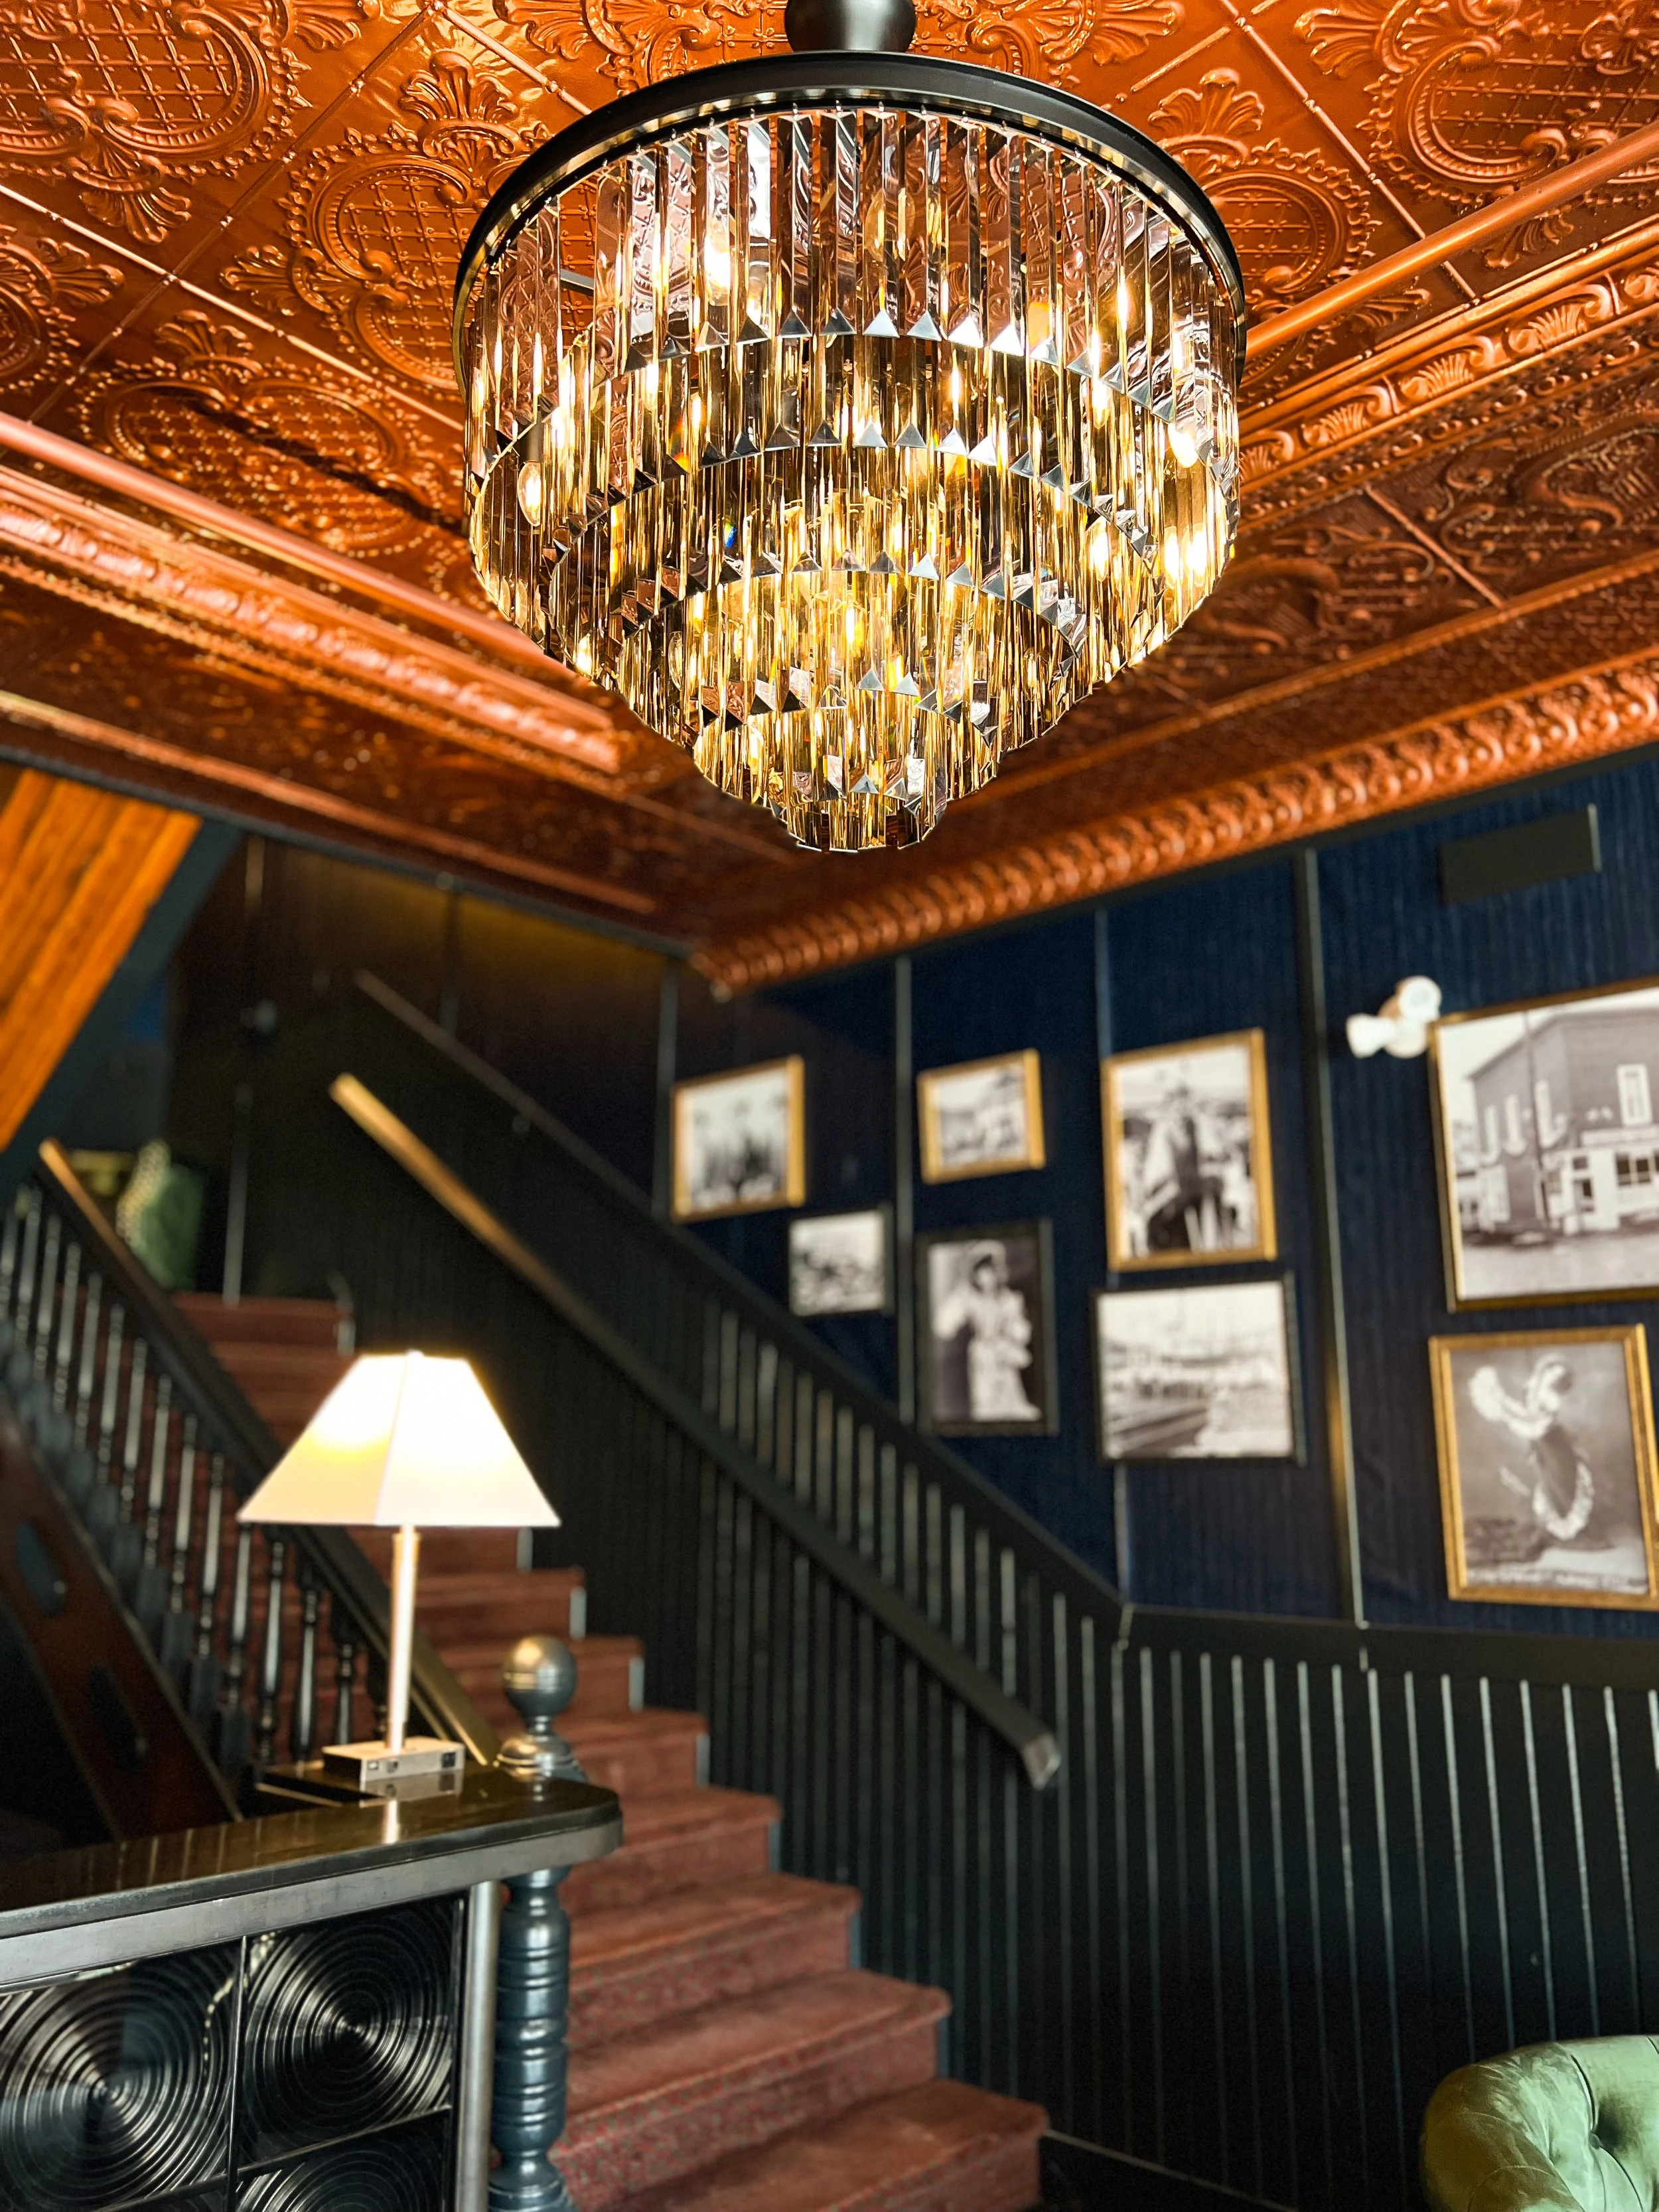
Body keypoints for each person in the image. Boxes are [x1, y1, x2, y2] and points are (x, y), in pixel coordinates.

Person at [1468, 1355, 1594, 1542]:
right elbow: (1529, 1417)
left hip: (1554, 1442)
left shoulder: (1552, 1399)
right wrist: (1502, 1403)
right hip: (1544, 1442)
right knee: (1549, 1482)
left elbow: (1535, 1423)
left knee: (1563, 1481)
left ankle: (1569, 1531)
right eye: (1552, 1371)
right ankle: (1557, 1529)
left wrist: (1504, 1409)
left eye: (1558, 1374)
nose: (1554, 1375)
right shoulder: (1534, 1387)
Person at [934, 1242, 1040, 1422]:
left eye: (991, 1271)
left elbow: (1021, 1330)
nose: (986, 1278)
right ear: (975, 1276)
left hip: (1003, 1355)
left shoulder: (1009, 1300)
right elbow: (943, 1325)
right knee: (985, 1402)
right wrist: (961, 1296)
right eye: (981, 1273)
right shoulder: (970, 1299)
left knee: (1009, 1397)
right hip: (982, 1356)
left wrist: (1014, 1335)